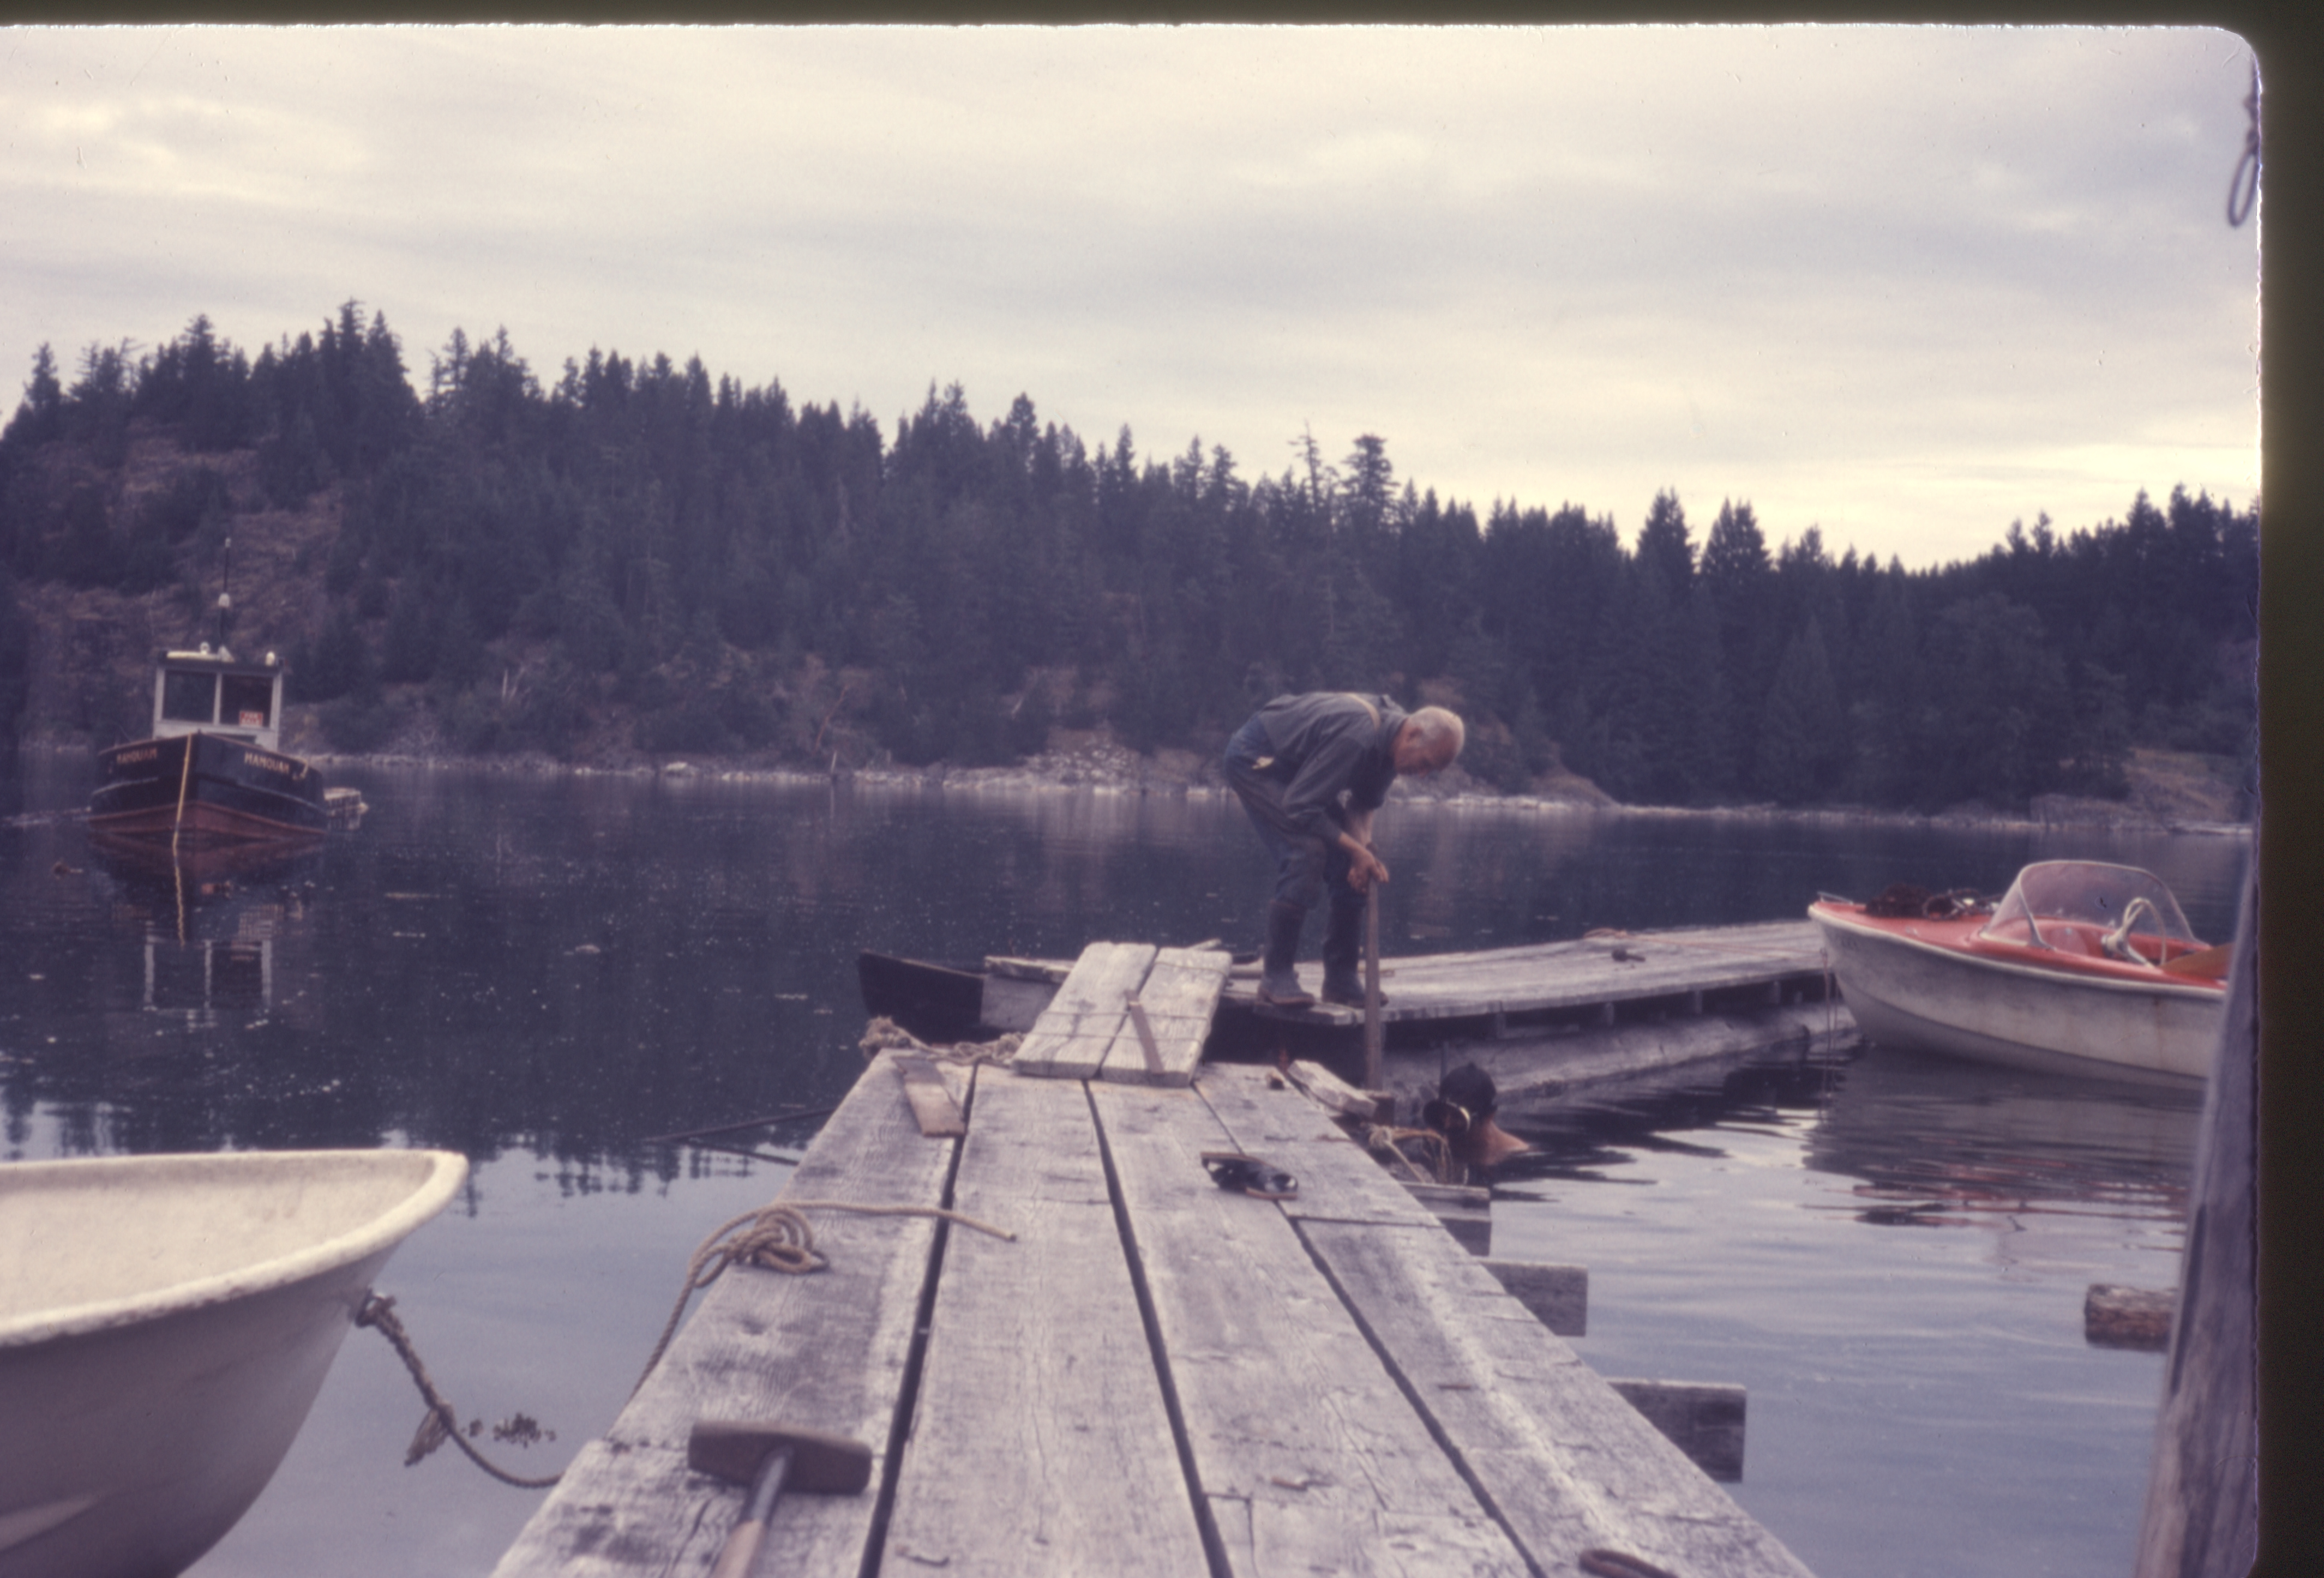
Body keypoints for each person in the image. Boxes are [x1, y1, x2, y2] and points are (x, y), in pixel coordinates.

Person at [1222, 692, 1464, 1008]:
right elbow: (1300, 808)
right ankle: (1276, 977)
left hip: (1298, 775)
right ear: (1413, 734)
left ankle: (1341, 980)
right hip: (1256, 758)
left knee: (1354, 861)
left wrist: (1362, 857)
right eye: (1425, 763)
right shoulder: (1357, 737)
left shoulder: (1394, 749)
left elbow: (1361, 807)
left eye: (1431, 771)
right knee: (1306, 851)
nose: (1422, 774)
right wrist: (1356, 850)